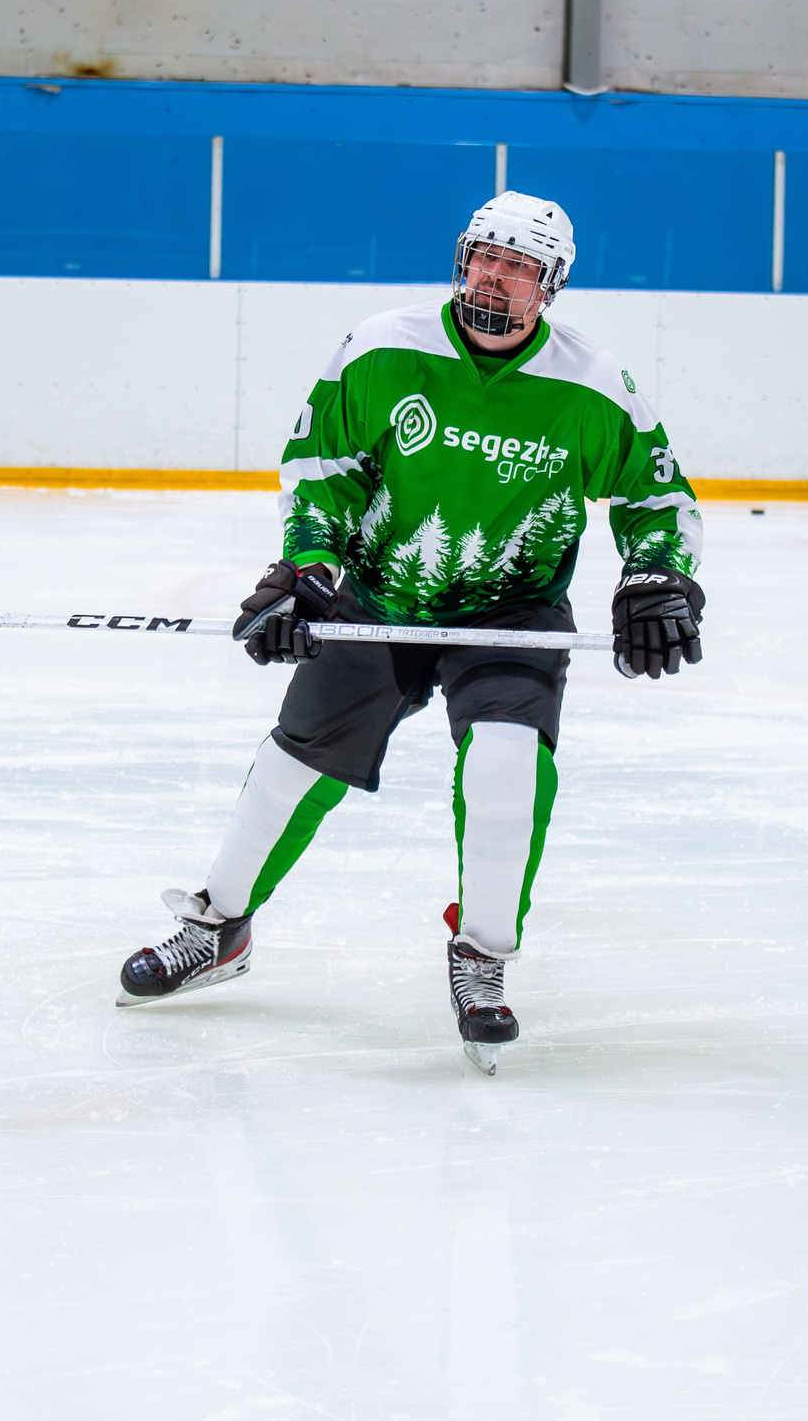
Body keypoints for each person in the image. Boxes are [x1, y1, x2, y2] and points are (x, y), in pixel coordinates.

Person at [113, 191, 706, 1072]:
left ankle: (483, 958)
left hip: (514, 614)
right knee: (292, 761)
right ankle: (218, 927)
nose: (494, 278)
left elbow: (658, 497)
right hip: (384, 600)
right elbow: (324, 466)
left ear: (552, 286)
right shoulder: (385, 346)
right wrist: (308, 568)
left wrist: (658, 575)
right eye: (483, 257)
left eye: (519, 267)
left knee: (507, 763)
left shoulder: (593, 384)